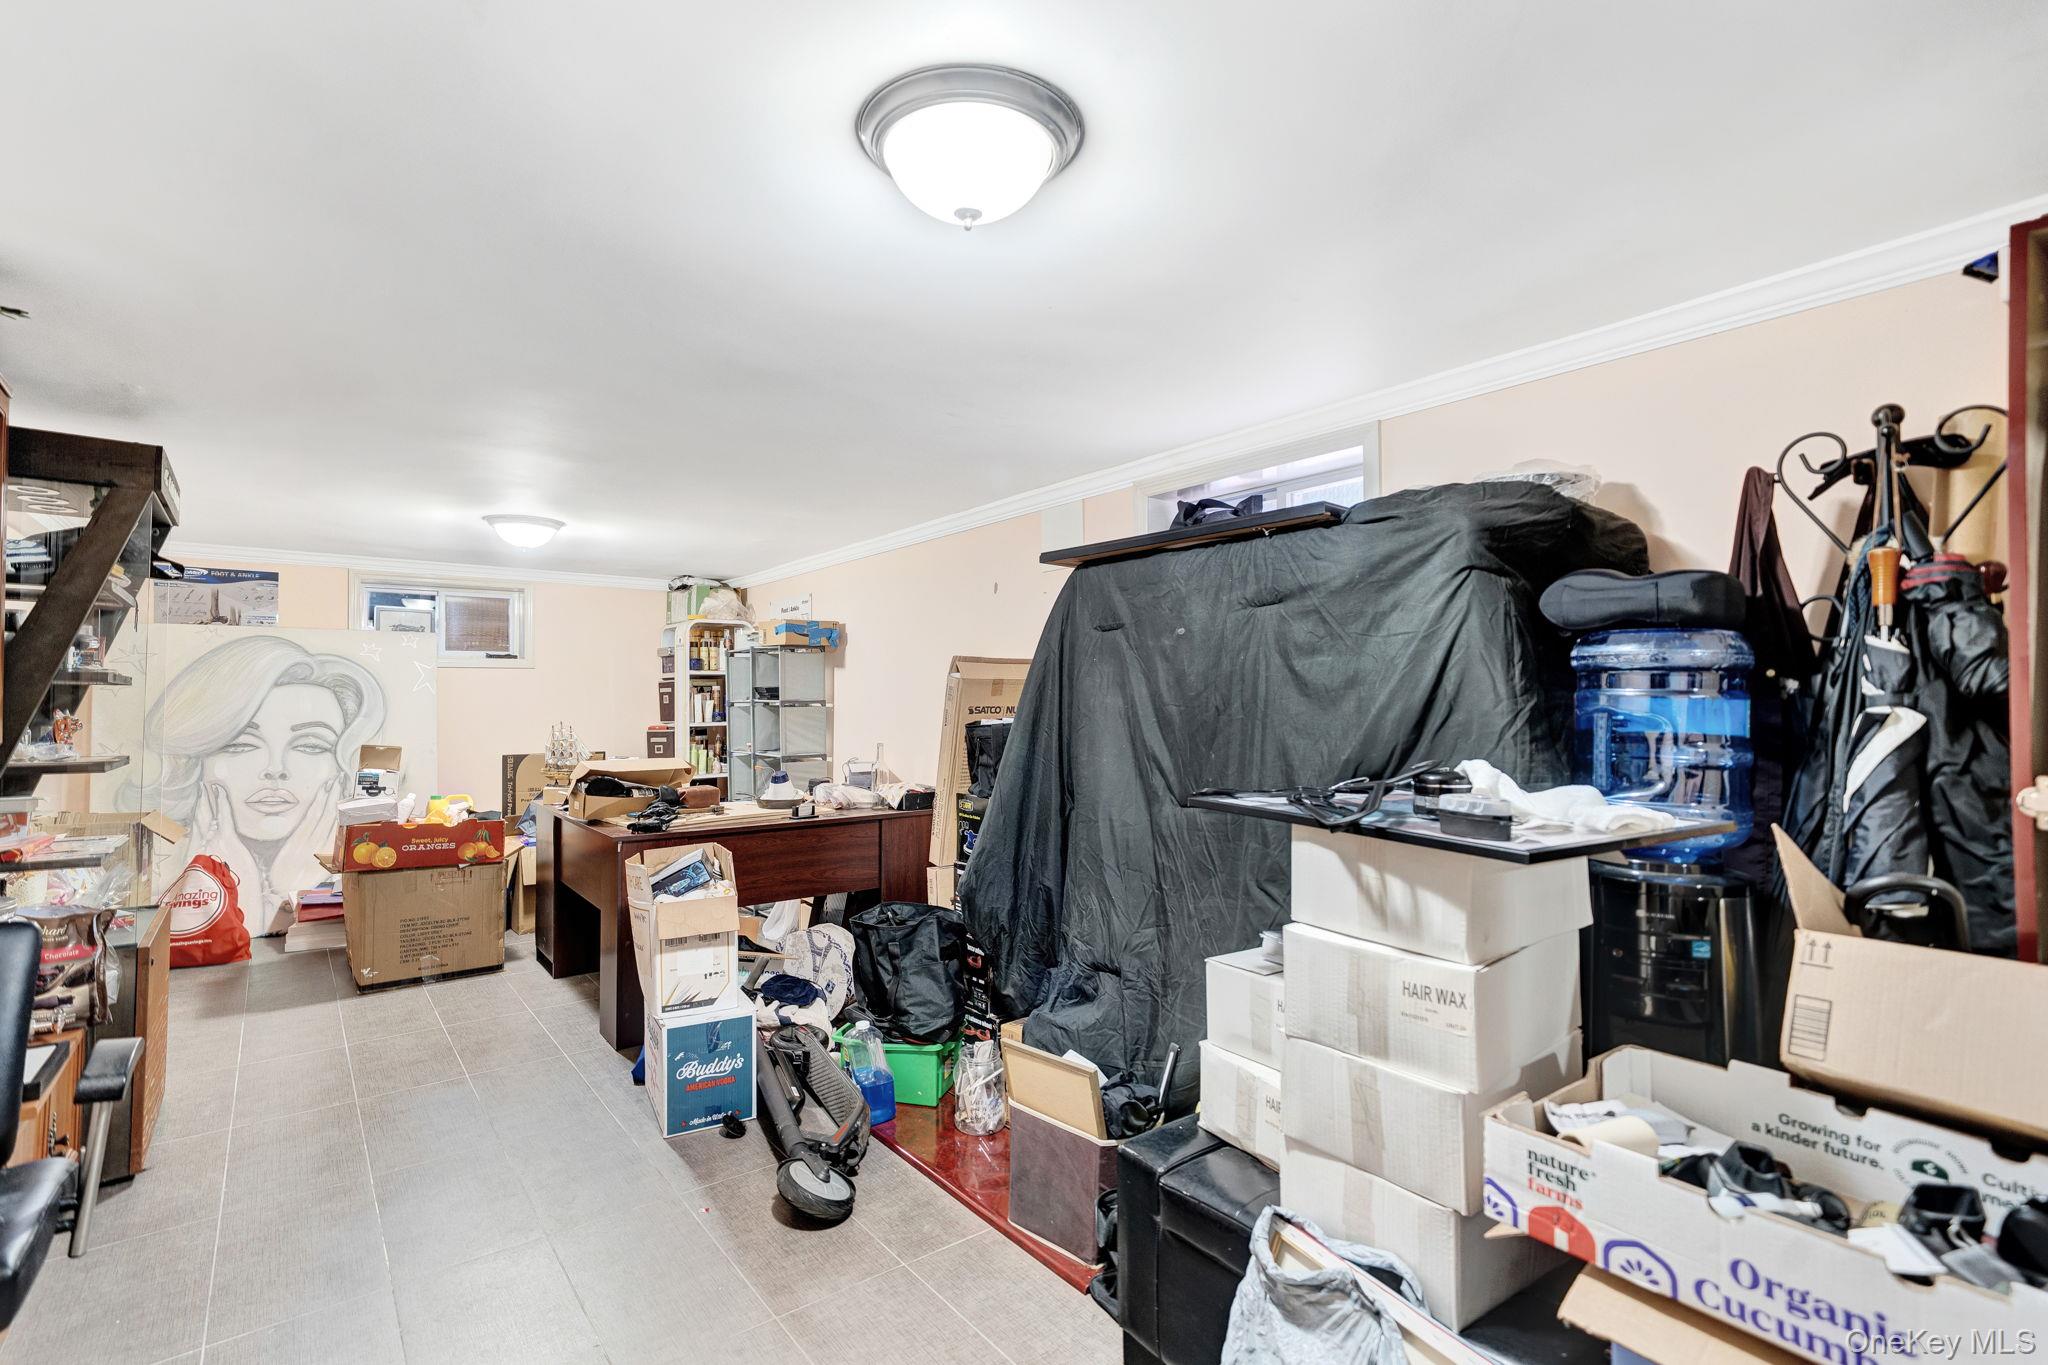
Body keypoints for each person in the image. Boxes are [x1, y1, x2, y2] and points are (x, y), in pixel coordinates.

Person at [142, 636, 386, 938]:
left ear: (340, 766)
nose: (275, 770)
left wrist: (290, 889)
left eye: (310, 745)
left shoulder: (369, 861)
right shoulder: (155, 863)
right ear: (196, 760)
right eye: (241, 745)